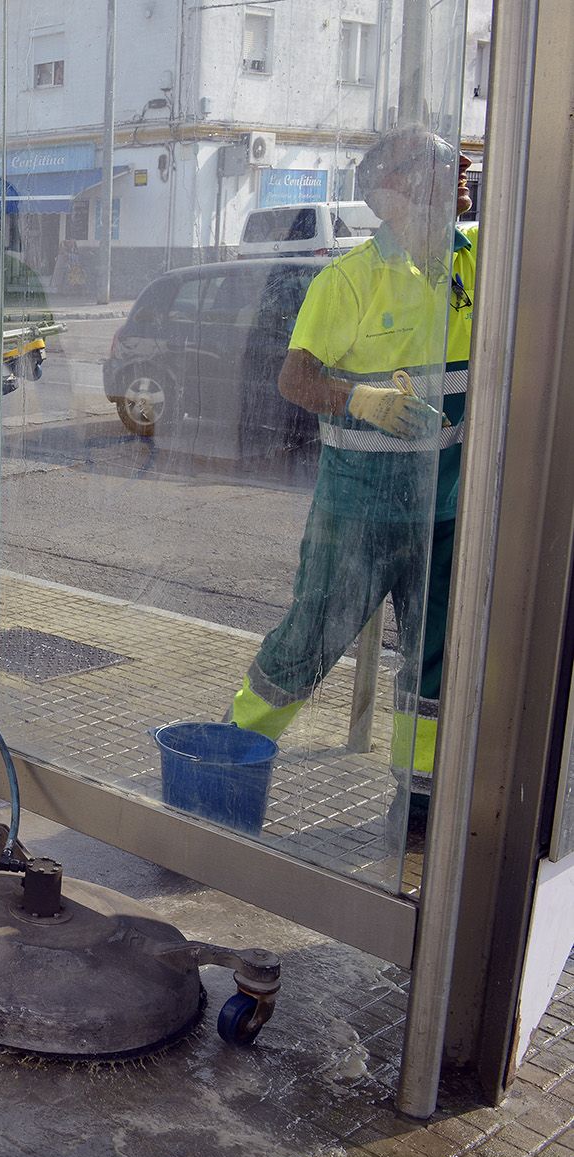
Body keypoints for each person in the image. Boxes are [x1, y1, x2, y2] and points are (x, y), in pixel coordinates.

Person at [228, 127, 477, 832]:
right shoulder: (346, 281)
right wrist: (363, 401)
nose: (462, 169)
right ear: (393, 193)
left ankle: (419, 797)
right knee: (307, 641)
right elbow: (294, 379)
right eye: (439, 164)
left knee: (436, 659)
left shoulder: (479, 258)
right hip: (358, 511)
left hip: (447, 510)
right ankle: (232, 753)